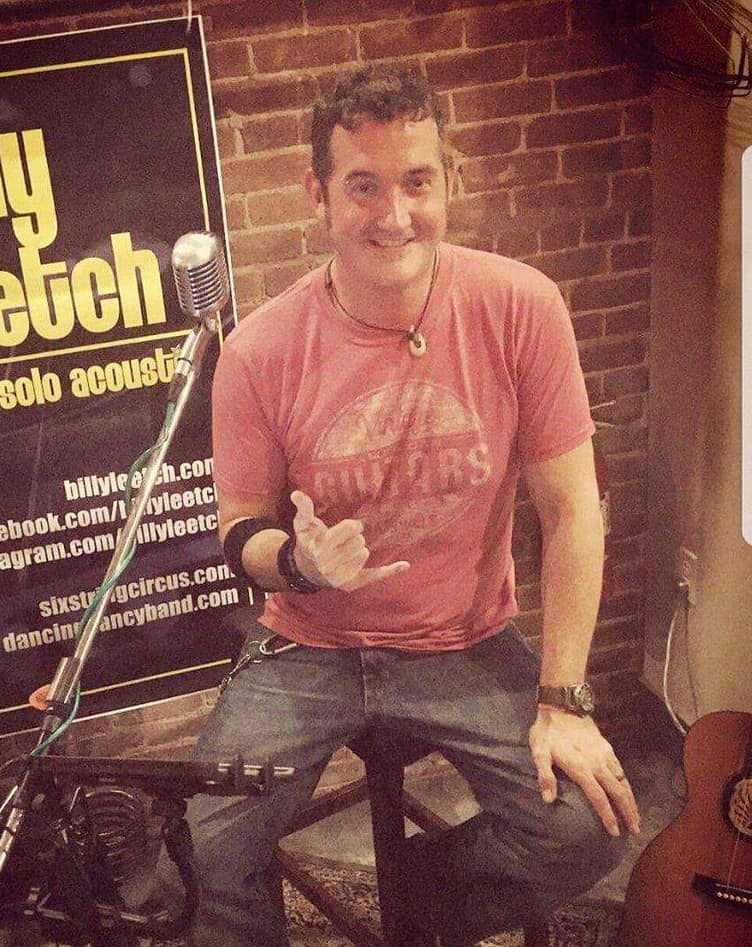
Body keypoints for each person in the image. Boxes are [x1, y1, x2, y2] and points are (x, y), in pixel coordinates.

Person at [188, 64, 642, 947]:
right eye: (364, 185)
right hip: (310, 646)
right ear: (318, 193)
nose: (394, 215)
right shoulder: (256, 351)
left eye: (417, 182)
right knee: (207, 842)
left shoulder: (521, 306)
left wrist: (564, 698)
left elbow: (573, 510)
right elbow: (239, 527)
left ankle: (416, 909)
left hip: (464, 639)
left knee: (590, 826)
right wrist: (300, 562)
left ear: (450, 183)